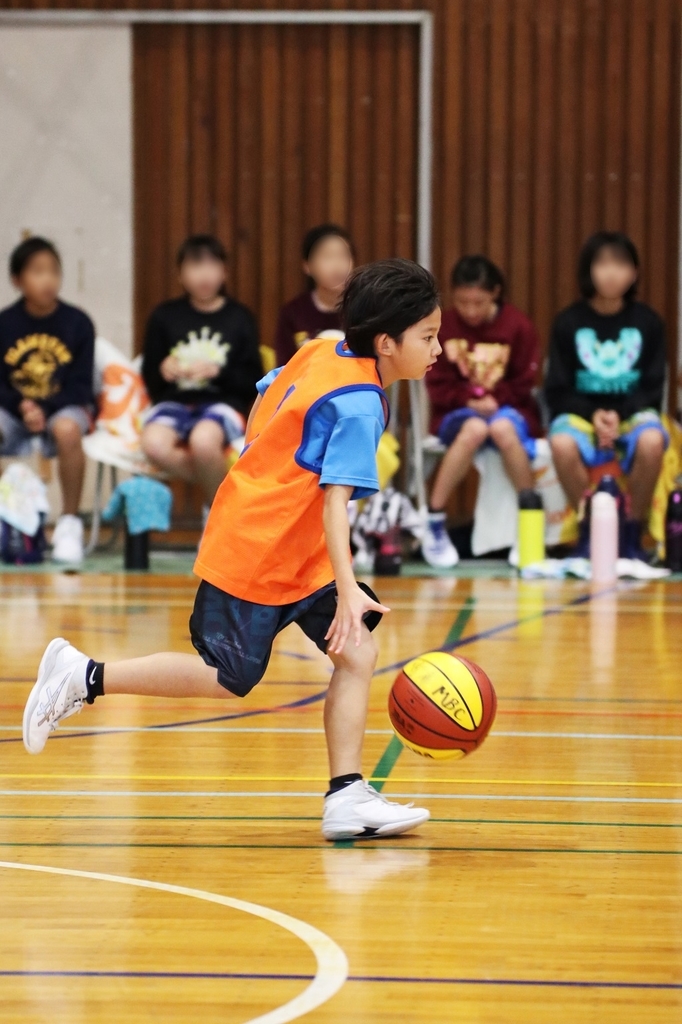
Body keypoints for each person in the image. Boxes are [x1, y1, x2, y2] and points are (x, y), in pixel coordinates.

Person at [23, 258, 441, 841]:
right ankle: (82, 677)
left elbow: (266, 396)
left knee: (357, 653)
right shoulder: (360, 404)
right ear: (388, 342)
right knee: (226, 678)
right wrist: (348, 590)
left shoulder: (324, 350)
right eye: (429, 336)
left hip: (296, 551)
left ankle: (346, 797)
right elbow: (333, 504)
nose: (438, 348)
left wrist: (265, 467)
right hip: (259, 549)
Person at [545, 232, 667, 562]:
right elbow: (556, 388)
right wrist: (594, 414)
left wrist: (617, 415)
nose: (611, 273)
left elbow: (654, 387)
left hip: (633, 413)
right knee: (561, 444)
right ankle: (589, 532)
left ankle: (631, 533)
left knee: (653, 440)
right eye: (602, 263)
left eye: (620, 264)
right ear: (589, 271)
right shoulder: (568, 322)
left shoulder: (648, 322)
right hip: (581, 415)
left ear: (634, 273)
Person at [423, 255, 541, 567]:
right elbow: (435, 381)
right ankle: (434, 520)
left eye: (478, 302)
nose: (470, 311)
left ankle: (530, 522)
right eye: (462, 302)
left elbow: (525, 381)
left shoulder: (518, 327)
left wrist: (497, 400)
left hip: (508, 409)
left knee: (502, 429)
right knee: (474, 429)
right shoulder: (442, 326)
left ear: (495, 293)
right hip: (457, 412)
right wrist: (468, 400)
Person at [141, 235, 262, 508]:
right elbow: (150, 376)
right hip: (174, 403)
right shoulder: (164, 316)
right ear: (181, 275)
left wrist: (217, 373)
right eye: (195, 266)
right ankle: (227, 499)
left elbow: (253, 380)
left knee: (204, 442)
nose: (204, 274)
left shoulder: (240, 318)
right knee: (153, 445)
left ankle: (216, 512)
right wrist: (163, 369)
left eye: (211, 265)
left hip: (222, 405)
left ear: (224, 272)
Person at [0, 237, 95, 564]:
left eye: (54, 271)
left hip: (62, 407)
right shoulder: (5, 324)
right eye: (37, 272)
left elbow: (82, 386)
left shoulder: (78, 324)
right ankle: (7, 521)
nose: (48, 280)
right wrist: (22, 406)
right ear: (17, 280)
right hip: (15, 410)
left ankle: (69, 523)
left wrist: (44, 409)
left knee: (68, 429)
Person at [274, 224, 354, 365]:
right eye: (327, 257)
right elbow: (284, 368)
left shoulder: (365, 309)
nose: (337, 266)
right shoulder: (293, 313)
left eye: (343, 256)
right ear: (307, 266)